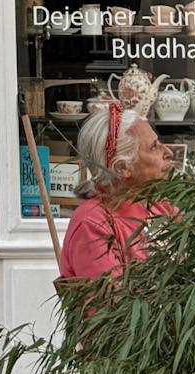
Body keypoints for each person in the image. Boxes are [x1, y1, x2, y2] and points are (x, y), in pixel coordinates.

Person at [57, 101, 177, 283]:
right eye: (154, 147)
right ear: (122, 168)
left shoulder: (161, 206)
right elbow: (112, 306)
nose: (167, 151)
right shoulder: (92, 223)